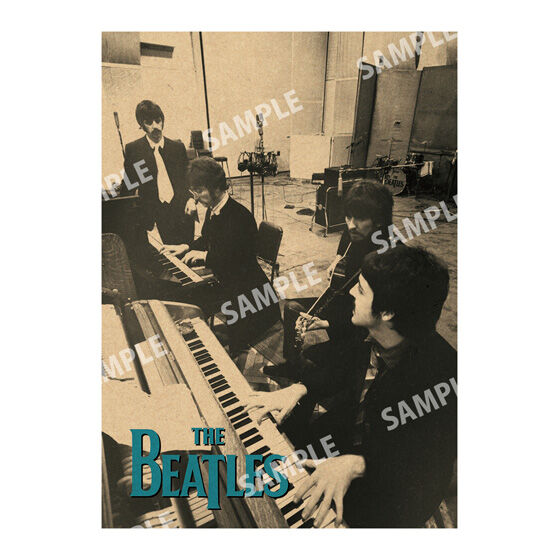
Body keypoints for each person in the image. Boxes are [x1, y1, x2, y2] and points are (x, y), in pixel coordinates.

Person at [243, 245, 457, 527]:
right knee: (267, 467)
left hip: (391, 485)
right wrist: (300, 388)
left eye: (363, 290)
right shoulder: (369, 330)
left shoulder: (445, 377)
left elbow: (424, 470)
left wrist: (359, 464)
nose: (352, 292)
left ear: (388, 312)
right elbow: (341, 368)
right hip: (348, 438)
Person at [177, 157, 280, 353]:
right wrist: (186, 247)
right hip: (228, 280)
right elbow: (206, 238)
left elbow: (233, 261)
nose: (196, 197)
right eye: (194, 191)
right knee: (187, 298)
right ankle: (202, 342)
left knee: (234, 345)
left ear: (216, 189)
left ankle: (222, 352)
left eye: (200, 191)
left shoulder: (240, 217)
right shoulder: (214, 209)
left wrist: (204, 256)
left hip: (249, 292)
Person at [123, 100, 195, 252]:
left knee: (187, 252)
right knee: (167, 255)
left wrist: (191, 198)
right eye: (149, 122)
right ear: (141, 125)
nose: (155, 126)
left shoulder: (177, 147)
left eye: (158, 120)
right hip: (156, 214)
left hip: (182, 209)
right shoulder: (134, 150)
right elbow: (129, 184)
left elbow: (188, 179)